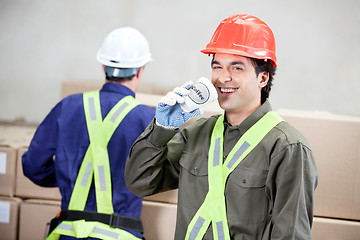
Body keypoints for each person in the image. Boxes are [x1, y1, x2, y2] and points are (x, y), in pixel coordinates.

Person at [125, 14, 318, 239]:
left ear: (262, 78)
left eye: (237, 68)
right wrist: (161, 129)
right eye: (217, 67)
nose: (222, 77)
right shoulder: (197, 134)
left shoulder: (287, 147)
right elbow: (139, 183)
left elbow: (290, 234)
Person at [22, 27, 155, 240]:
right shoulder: (147, 119)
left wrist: (69, 177)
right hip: (121, 235)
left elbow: (32, 166)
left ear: (103, 66)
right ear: (140, 70)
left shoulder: (68, 107)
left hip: (68, 233)